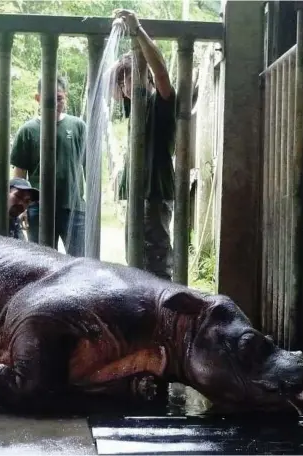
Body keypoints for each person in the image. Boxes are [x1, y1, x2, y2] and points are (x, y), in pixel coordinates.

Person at [111, 8, 177, 281]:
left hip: (155, 194)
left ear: (145, 77)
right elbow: (108, 92)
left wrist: (137, 33)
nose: (125, 86)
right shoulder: (134, 111)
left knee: (156, 264)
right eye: (123, 80)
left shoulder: (157, 102)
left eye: (129, 77)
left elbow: (162, 74)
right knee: (134, 259)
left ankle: (165, 316)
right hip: (141, 195)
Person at [10, 76, 87, 257]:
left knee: (79, 264)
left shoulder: (78, 127)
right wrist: (21, 207)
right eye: (48, 100)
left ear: (65, 97)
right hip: (39, 209)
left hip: (74, 208)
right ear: (38, 99)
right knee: (43, 263)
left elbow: (90, 168)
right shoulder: (28, 130)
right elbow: (19, 174)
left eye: (59, 99)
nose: (55, 104)